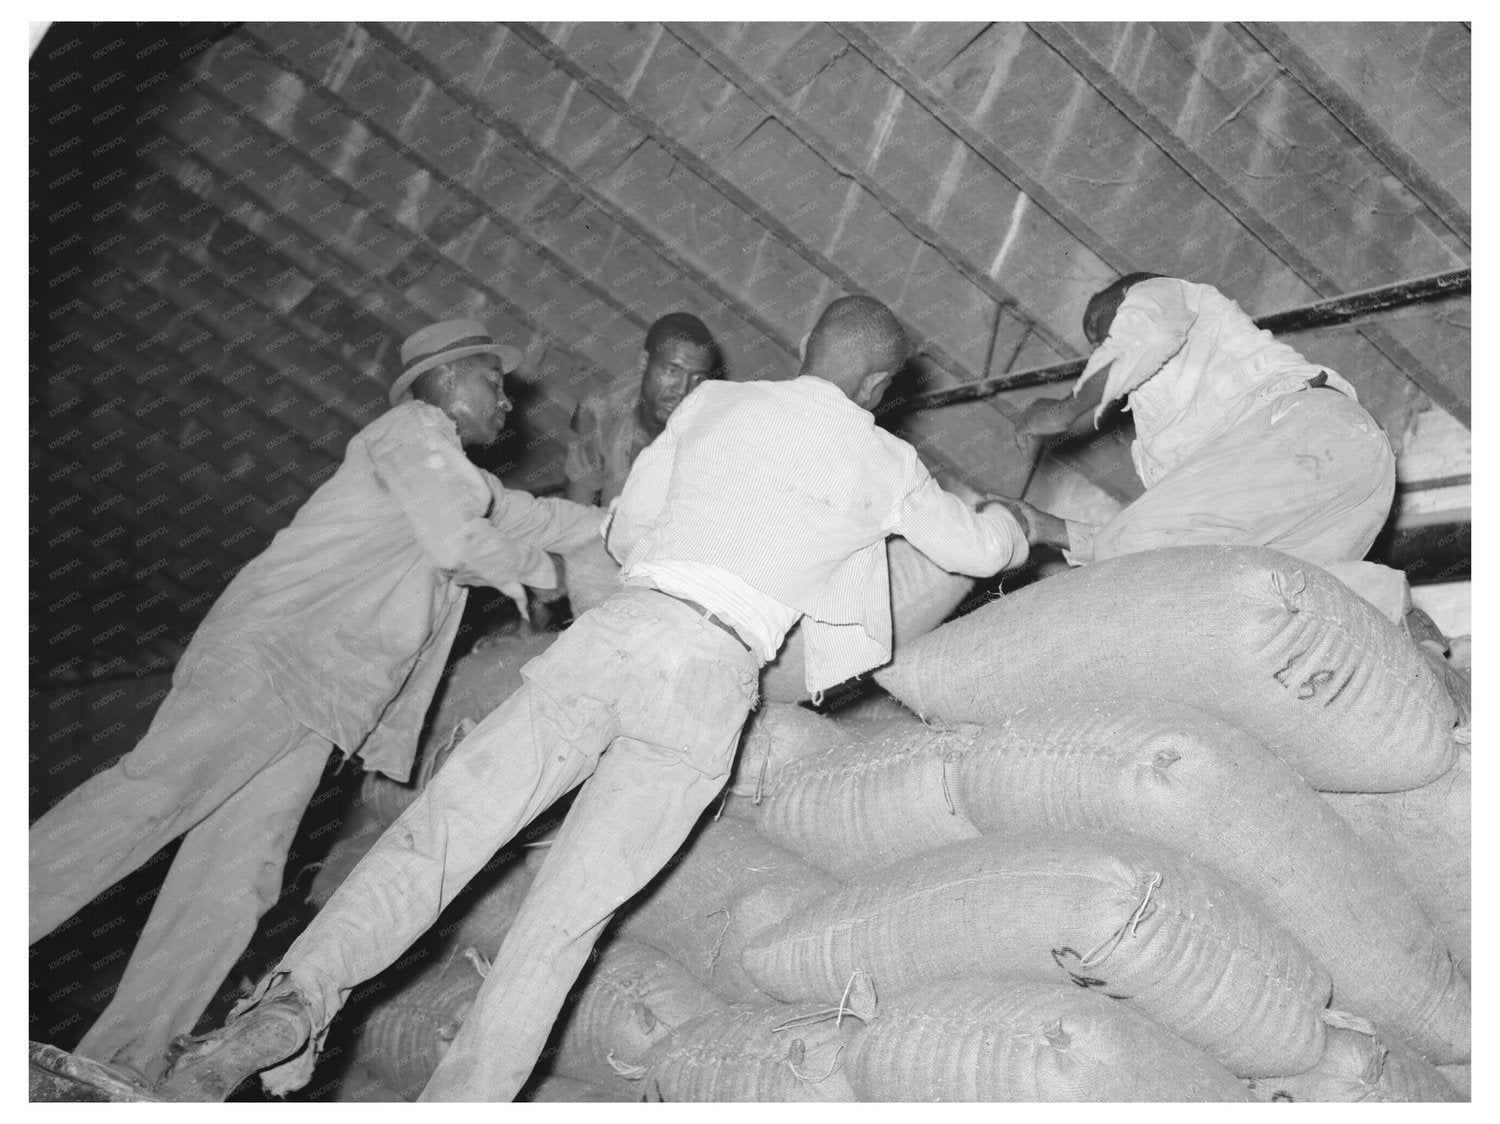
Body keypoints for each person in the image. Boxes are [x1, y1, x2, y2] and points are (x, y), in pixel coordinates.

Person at [160, 295, 1054, 1102]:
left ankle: (283, 1010)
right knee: (561, 925)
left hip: (619, 635)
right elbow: (976, 553)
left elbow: (624, 530)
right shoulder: (887, 460)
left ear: (805, 346)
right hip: (709, 678)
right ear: (879, 384)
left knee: (442, 832)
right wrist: (1015, 528)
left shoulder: (714, 405)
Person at [29, 319, 605, 1083]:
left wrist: (623, 527)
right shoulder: (413, 433)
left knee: (235, 881)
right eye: (493, 383)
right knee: (147, 800)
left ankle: (122, 1065)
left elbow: (538, 517)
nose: (508, 403)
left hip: (317, 701)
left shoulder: (456, 476)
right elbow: (458, 543)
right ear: (445, 380)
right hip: (271, 662)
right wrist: (546, 575)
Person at [1012, 273, 1396, 571]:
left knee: (1144, 555)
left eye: (1098, 331)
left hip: (1306, 433)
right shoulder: (1168, 428)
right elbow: (1174, 539)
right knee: (1234, 588)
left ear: (1126, 295)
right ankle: (1399, 612)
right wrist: (1050, 530)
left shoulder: (1159, 292)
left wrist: (1062, 410)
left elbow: (1149, 334)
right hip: (1346, 499)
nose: (1098, 348)